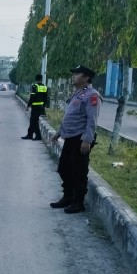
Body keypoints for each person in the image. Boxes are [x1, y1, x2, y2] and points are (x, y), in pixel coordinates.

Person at [51, 65, 101, 214]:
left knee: (78, 172)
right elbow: (70, 117)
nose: (74, 76)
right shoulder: (78, 94)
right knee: (64, 169)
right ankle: (68, 197)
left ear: (86, 78)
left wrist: (87, 140)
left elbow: (92, 120)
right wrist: (58, 133)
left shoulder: (92, 96)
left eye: (77, 74)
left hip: (80, 139)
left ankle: (78, 203)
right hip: (70, 137)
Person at [22, 74, 48, 140]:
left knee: (34, 121)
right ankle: (29, 135)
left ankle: (38, 136)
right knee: (32, 120)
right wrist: (44, 107)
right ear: (41, 79)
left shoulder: (35, 86)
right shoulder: (44, 87)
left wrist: (28, 106)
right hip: (41, 106)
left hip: (35, 106)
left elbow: (32, 97)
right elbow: (46, 98)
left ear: (36, 79)